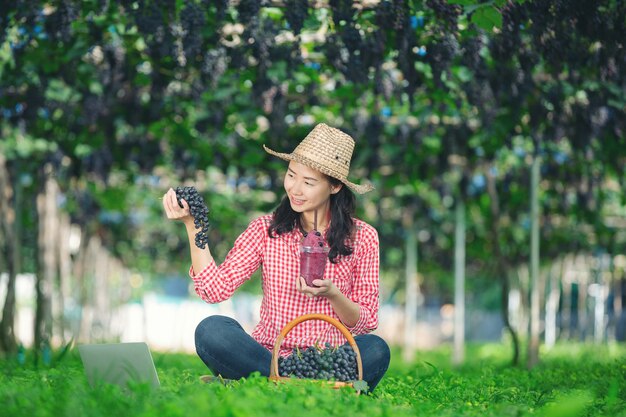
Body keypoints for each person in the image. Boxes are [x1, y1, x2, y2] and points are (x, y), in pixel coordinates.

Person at [162, 123, 390, 392]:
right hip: (268, 354)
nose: (295, 188)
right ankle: (300, 380)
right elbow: (215, 290)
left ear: (335, 186)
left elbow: (366, 320)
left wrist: (332, 294)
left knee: (376, 349)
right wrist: (193, 226)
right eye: (292, 175)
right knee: (212, 330)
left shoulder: (363, 236)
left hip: (329, 356)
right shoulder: (264, 230)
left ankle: (273, 381)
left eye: (309, 182)